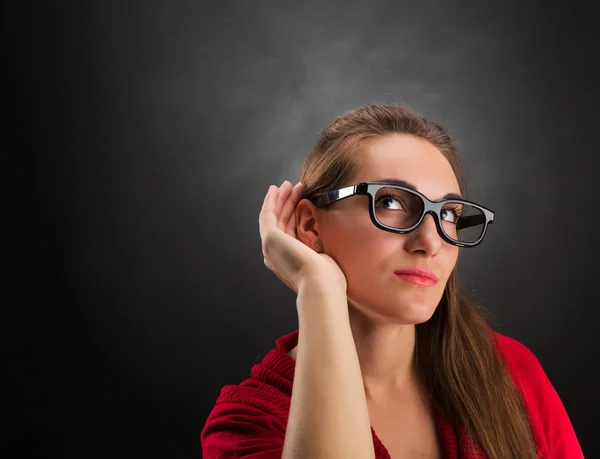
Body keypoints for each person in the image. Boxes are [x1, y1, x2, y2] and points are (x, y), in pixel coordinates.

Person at [200, 104, 583, 458]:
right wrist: (318, 288)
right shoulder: (248, 423)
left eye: (448, 213)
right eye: (390, 202)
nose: (430, 242)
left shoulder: (509, 371)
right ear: (309, 225)